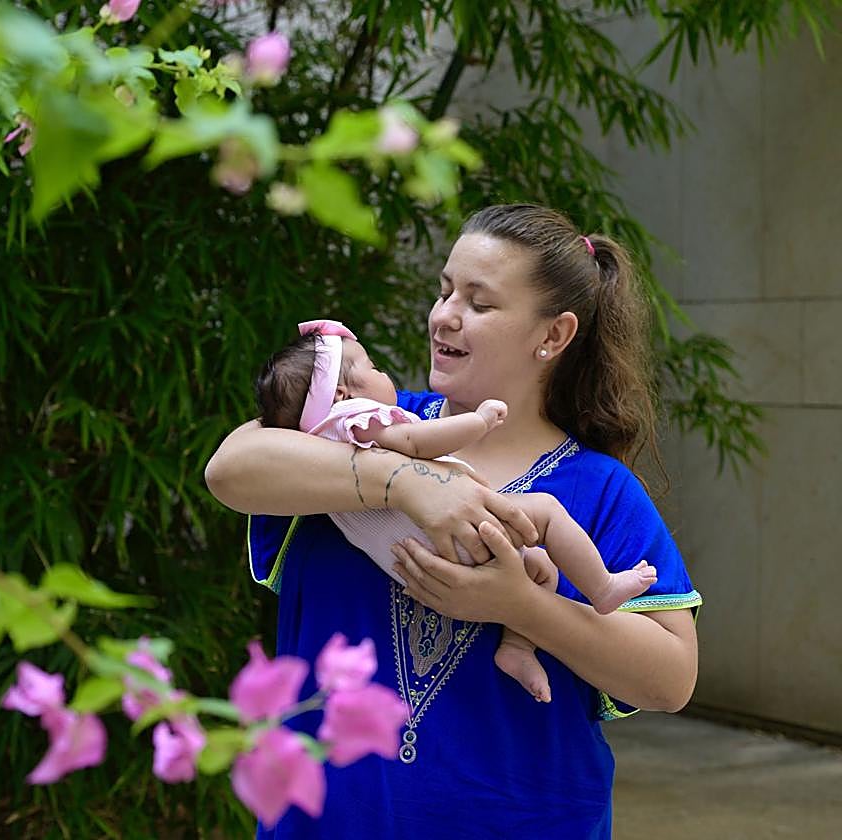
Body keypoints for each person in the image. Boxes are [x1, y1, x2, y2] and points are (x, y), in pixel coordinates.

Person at [205, 204, 701, 838]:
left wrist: (520, 605)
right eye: (444, 291)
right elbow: (230, 469)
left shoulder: (600, 488)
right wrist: (406, 482)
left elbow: (671, 679)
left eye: (479, 302)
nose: (443, 315)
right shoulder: (349, 432)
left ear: (553, 336)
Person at [253, 318, 659, 702]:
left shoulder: (315, 443)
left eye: (479, 303)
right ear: (342, 395)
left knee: (539, 568)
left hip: (417, 552)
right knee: (547, 512)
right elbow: (415, 441)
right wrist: (478, 421)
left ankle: (516, 647)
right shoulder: (358, 419)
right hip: (450, 536)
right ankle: (602, 588)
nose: (445, 315)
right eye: (373, 367)